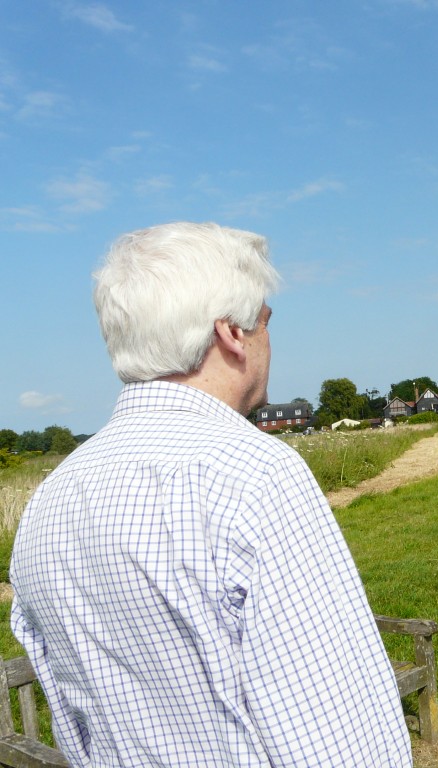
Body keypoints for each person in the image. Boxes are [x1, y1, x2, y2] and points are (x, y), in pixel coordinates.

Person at [10, 223, 413, 767]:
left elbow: (72, 724)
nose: (268, 339)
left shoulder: (48, 501)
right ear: (230, 334)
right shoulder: (256, 475)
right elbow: (342, 737)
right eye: (265, 322)